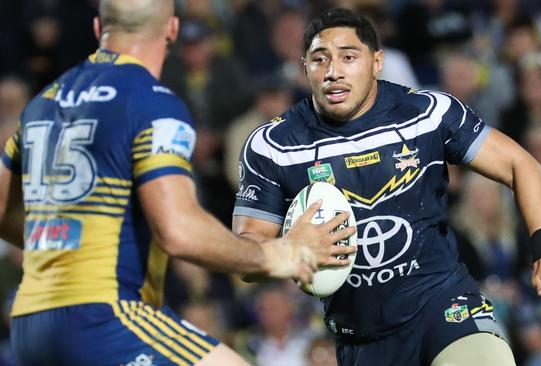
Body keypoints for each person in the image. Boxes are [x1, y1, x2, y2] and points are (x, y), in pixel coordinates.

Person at [0, 1, 356, 365]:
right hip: (105, 316)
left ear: (97, 29)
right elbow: (179, 230)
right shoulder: (151, 103)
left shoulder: (42, 103)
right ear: (171, 30)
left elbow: (2, 212)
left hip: (31, 323)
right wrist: (276, 253)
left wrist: (67, 246)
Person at [233, 8, 541, 366]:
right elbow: (248, 248)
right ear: (304, 67)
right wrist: (287, 249)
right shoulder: (274, 146)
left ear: (377, 62)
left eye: (348, 57)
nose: (333, 72)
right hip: (361, 337)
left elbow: (522, 165)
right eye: (319, 60)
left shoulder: (427, 113)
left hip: (444, 306)